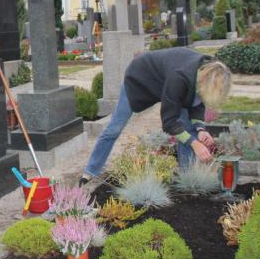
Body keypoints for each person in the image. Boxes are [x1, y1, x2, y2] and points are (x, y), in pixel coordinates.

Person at [79, 47, 232, 186]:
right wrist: (195, 143)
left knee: (189, 129)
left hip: (167, 81)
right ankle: (91, 170)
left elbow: (197, 103)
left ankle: (188, 178)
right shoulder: (180, 77)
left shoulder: (208, 71)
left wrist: (201, 129)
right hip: (140, 79)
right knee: (115, 128)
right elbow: (169, 122)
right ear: (206, 81)